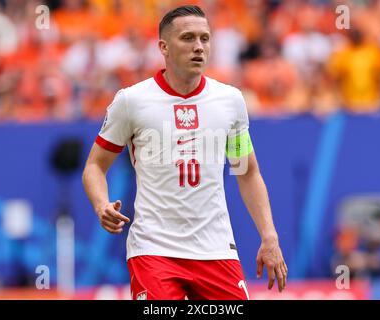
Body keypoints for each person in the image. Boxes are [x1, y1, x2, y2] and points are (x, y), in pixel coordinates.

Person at [82, 5, 287, 300]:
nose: (199, 47)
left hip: (216, 248)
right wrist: (101, 204)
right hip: (154, 249)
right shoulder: (132, 101)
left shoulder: (229, 100)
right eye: (188, 38)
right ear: (163, 47)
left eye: (205, 38)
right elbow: (94, 167)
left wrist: (269, 236)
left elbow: (247, 172)